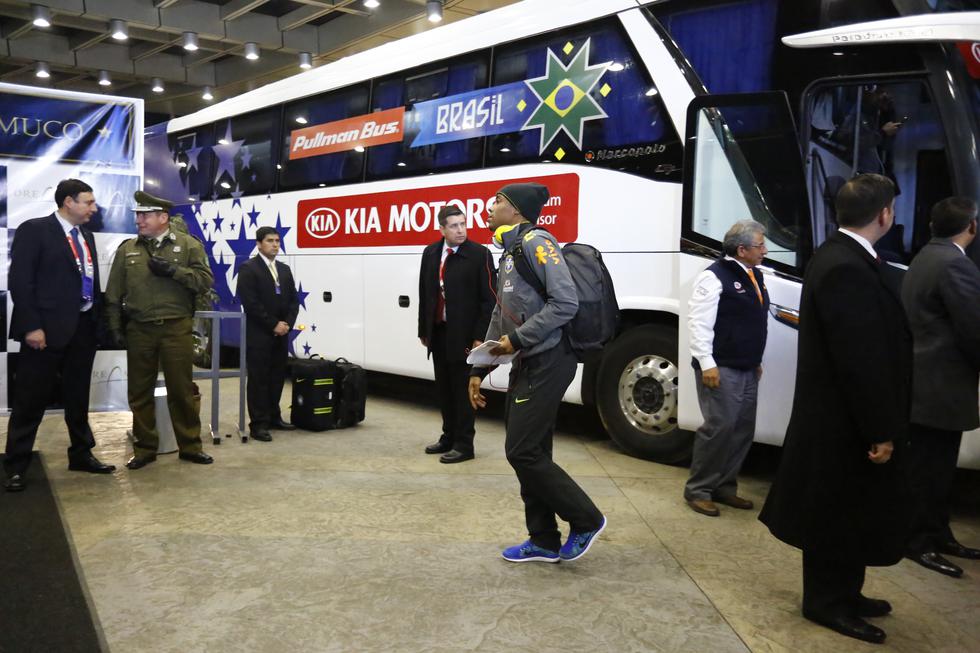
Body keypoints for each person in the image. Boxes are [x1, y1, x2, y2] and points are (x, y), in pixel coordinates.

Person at [759, 174, 912, 645]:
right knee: (836, 513)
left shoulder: (840, 256)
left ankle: (848, 590)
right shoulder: (846, 267)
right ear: (884, 215)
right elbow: (860, 360)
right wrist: (880, 428)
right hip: (844, 423)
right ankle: (826, 602)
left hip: (840, 418)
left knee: (852, 510)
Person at [469, 182, 605, 563]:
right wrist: (478, 369)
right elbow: (501, 314)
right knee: (533, 450)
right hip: (528, 360)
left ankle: (586, 519)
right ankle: (543, 539)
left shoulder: (537, 243)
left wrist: (517, 340)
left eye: (497, 202)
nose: (490, 207)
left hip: (549, 359)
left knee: (522, 450)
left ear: (516, 209)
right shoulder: (508, 252)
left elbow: (566, 303)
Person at [3, 179, 115, 492]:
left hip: (82, 329)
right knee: (30, 400)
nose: (94, 208)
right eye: (88, 202)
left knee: (78, 397)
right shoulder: (34, 229)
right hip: (45, 331)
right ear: (68, 202)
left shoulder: (86, 235)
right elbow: (20, 282)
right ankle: (15, 465)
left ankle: (81, 454)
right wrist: (32, 326)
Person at [105, 190, 215, 470]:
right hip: (140, 329)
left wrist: (174, 272)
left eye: (145, 215)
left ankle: (190, 446)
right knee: (139, 392)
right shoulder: (128, 249)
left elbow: (204, 282)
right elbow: (113, 294)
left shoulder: (189, 246)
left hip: (176, 327)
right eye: (138, 215)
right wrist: (116, 327)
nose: (139, 220)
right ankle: (144, 449)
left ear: (163, 217)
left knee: (181, 389)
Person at [901, 196, 980, 578]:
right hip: (941, 383)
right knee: (930, 470)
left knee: (935, 466)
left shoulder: (925, 256)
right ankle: (919, 542)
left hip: (925, 380)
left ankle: (938, 532)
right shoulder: (955, 265)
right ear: (972, 227)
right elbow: (973, 328)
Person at [685, 220, 769, 517]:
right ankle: (699, 489)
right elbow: (699, 322)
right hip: (720, 367)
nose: (765, 250)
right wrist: (707, 363)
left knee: (742, 429)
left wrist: (755, 361)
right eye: (760, 245)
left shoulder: (754, 274)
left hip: (747, 367)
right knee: (719, 428)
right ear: (742, 248)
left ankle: (724, 486)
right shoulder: (714, 276)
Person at [418, 205, 495, 463]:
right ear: (442, 228)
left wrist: (479, 336)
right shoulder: (430, 253)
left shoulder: (479, 255)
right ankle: (448, 436)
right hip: (439, 333)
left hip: (464, 336)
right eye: (453, 225)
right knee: (444, 389)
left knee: (463, 391)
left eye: (463, 224)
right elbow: (425, 293)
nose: (460, 230)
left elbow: (489, 301)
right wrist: (423, 329)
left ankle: (465, 445)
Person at [236, 227, 299, 442]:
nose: (275, 244)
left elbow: (293, 301)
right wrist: (273, 324)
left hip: (281, 335)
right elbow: (251, 304)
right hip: (260, 335)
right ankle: (259, 424)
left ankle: (274, 417)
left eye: (277, 241)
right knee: (258, 380)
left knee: (276, 378)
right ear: (259, 244)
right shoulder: (249, 269)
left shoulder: (284, 269)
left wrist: (287, 324)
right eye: (270, 240)